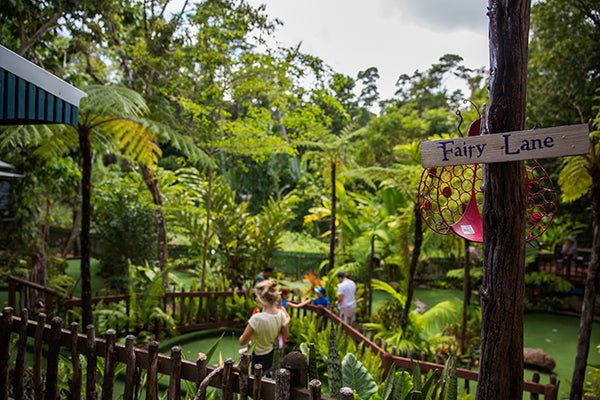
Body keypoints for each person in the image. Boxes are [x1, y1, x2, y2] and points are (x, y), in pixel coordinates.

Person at [239, 279, 290, 375]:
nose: (256, 299)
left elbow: (241, 341)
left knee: (256, 379)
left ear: (262, 299)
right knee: (267, 376)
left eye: (257, 296)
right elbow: (286, 335)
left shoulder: (256, 319)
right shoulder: (281, 314)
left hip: (258, 355)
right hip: (270, 352)